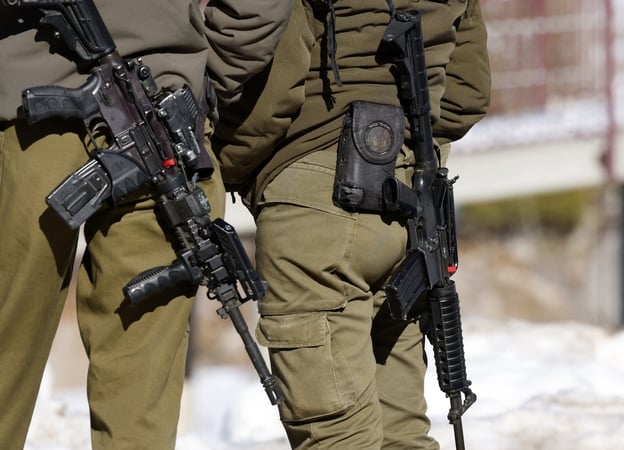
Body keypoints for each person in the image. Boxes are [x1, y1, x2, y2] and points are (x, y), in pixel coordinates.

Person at [0, 1, 289, 448]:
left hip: (107, 120)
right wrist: (202, 74)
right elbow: (259, 9)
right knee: (140, 401)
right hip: (156, 94)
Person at [212, 0, 491, 447]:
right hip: (409, 204)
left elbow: (272, 81)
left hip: (317, 203)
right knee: (402, 434)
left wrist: (225, 161)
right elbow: (468, 92)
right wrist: (406, 145)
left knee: (335, 437)